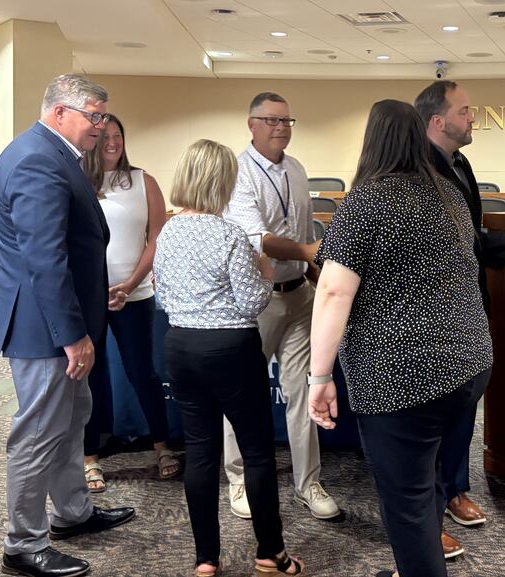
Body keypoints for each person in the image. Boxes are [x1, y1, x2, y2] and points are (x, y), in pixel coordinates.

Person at [308, 99, 493, 577]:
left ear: (372, 141)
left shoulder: (367, 200)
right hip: (467, 367)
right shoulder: (446, 194)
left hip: (402, 379)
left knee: (406, 504)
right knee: (425, 475)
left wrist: (319, 376)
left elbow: (331, 292)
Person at [0, 74, 135, 577]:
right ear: (59, 112)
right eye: (94, 115)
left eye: (104, 115)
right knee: (40, 431)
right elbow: (45, 259)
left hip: (58, 319)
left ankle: (72, 512)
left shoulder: (51, 152)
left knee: (71, 422)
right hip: (43, 327)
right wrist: (73, 335)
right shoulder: (37, 159)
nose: (101, 126)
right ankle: (22, 544)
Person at [414, 80, 505, 557]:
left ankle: (454, 490)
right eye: (466, 111)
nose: (474, 118)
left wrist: (498, 245)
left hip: (468, 308)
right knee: (433, 419)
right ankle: (428, 517)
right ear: (438, 121)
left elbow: (469, 232)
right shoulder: (416, 172)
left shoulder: (461, 163)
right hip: (435, 317)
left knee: (463, 407)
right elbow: (452, 242)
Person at [155, 139, 304, 577]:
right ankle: (270, 554)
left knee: (200, 452)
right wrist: (266, 273)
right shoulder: (229, 234)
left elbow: (163, 297)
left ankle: (205, 560)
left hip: (181, 345)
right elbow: (252, 304)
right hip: (230, 349)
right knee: (257, 454)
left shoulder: (168, 231)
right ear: (222, 182)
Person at [223, 92, 339, 520]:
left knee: (304, 393)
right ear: (251, 124)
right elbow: (258, 238)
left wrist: (314, 276)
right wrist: (309, 250)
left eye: (288, 120)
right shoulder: (239, 172)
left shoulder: (296, 168)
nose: (281, 127)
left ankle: (308, 484)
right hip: (258, 300)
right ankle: (238, 482)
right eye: (272, 120)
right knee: (243, 394)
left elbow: (305, 229)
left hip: (299, 298)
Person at [81, 114, 177, 492]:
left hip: (134, 295)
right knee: (90, 376)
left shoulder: (143, 180)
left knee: (143, 373)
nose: (111, 142)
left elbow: (157, 238)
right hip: (89, 298)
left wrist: (130, 283)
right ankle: (90, 457)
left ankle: (162, 446)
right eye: (103, 136)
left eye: (117, 135)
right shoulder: (79, 182)